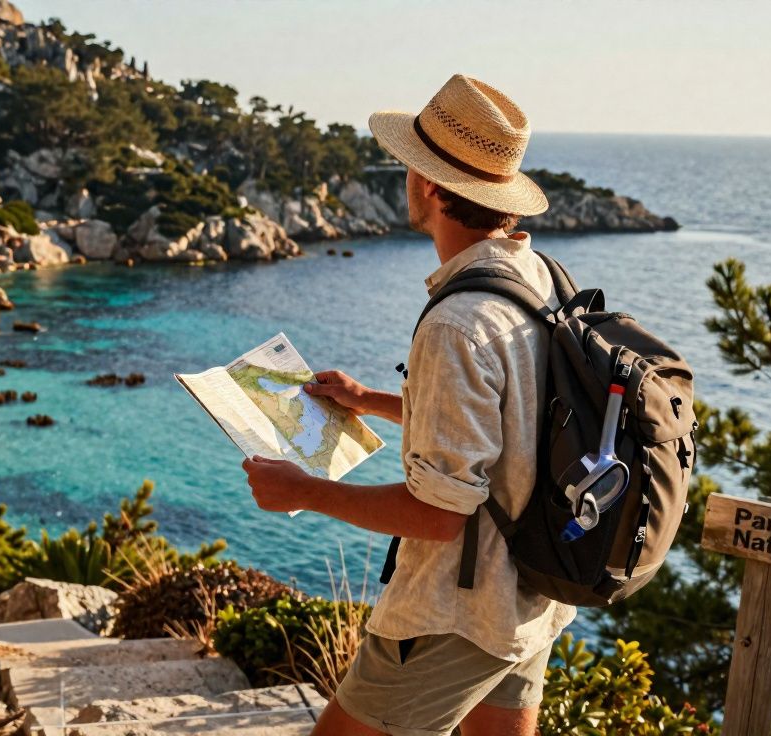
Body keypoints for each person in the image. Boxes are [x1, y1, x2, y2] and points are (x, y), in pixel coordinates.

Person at [241, 74, 576, 736]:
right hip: (531, 591)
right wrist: (368, 401)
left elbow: (438, 515)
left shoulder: (457, 322)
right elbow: (509, 429)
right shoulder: (539, 278)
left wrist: (304, 491)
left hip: (454, 609)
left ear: (427, 184)